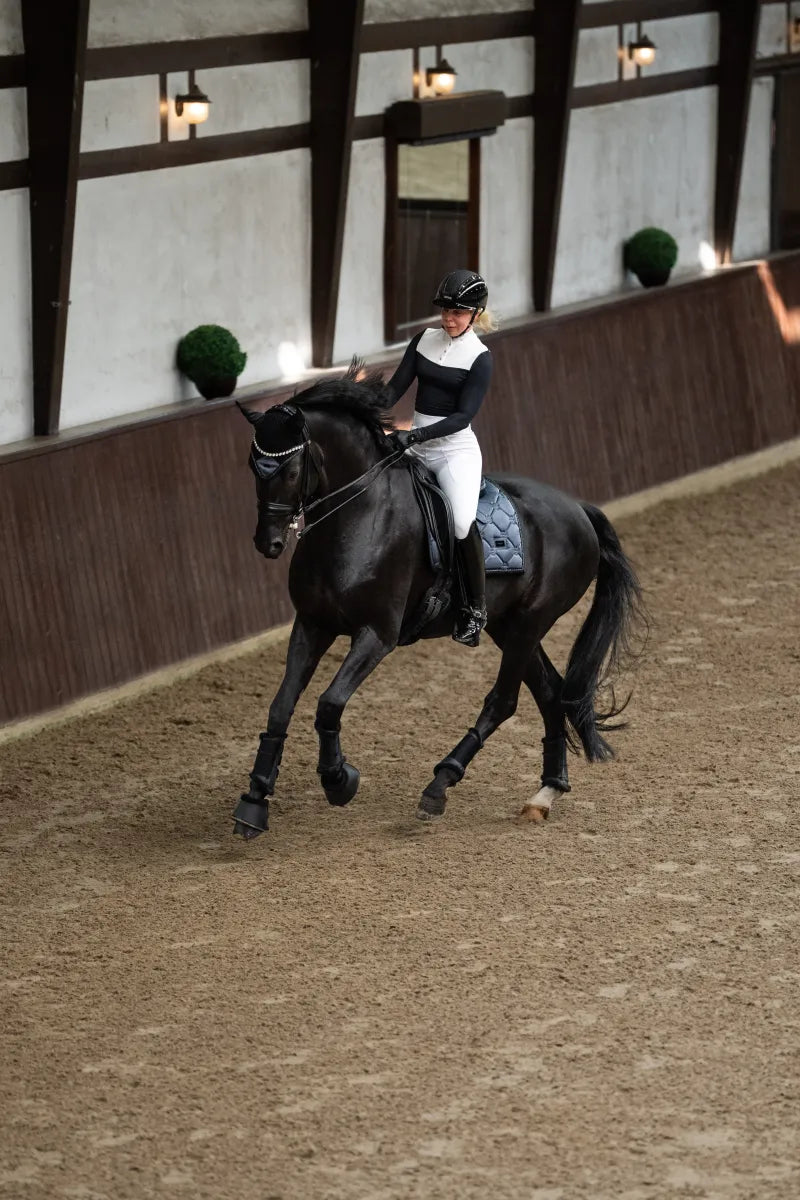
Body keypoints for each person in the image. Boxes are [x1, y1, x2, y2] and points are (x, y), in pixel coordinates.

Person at [381, 269, 496, 647]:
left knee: (461, 522)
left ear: (475, 314)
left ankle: (475, 610)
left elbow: (463, 417)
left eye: (458, 313)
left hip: (452, 449)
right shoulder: (424, 340)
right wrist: (361, 407)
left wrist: (414, 434)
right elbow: (396, 388)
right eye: (446, 310)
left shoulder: (480, 357)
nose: (449, 318)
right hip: (415, 441)